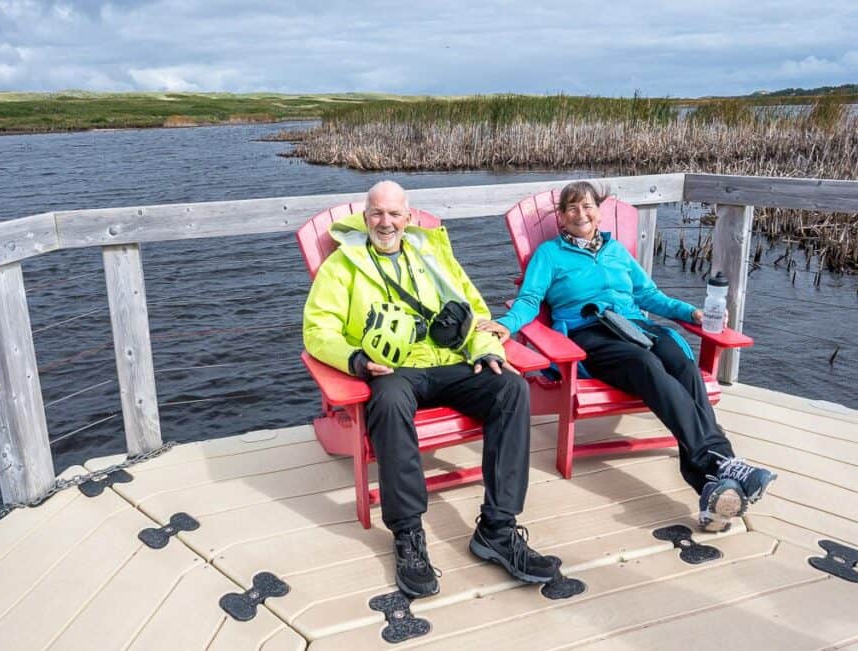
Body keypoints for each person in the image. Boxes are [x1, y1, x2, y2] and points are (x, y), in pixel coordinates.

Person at [302, 180, 557, 598]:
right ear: (365, 218)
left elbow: (472, 310)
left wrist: (485, 348)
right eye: (378, 214)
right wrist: (356, 361)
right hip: (392, 370)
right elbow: (318, 329)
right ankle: (408, 536)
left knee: (511, 388)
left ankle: (497, 528)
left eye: (395, 214)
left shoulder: (431, 255)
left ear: (409, 216)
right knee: (387, 404)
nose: (386, 223)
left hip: (451, 362)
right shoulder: (342, 266)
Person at [477, 181, 776, 533]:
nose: (580, 213)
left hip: (635, 326)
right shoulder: (548, 255)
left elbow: (649, 295)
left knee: (681, 364)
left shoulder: (616, 250)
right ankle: (723, 462)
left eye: (587, 206)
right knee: (646, 365)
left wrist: (690, 312)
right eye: (571, 208)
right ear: (560, 218)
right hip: (589, 332)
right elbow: (529, 300)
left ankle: (713, 481)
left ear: (598, 211)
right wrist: (507, 324)